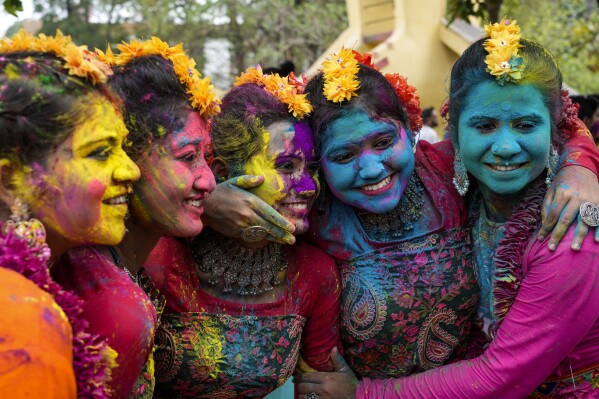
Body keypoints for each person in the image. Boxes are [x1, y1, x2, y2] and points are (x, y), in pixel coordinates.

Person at [202, 47, 599, 399]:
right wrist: (211, 202)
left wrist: (580, 168)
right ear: (318, 165)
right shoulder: (310, 207)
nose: (372, 167)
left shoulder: (444, 171)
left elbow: (540, 121)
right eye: (343, 155)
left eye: (382, 141)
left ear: (409, 131)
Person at [143, 66, 342, 398]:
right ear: (222, 171)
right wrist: (207, 202)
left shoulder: (316, 273)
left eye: (313, 169)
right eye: (286, 166)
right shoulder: (161, 259)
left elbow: (318, 388)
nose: (308, 187)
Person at [51, 37, 220, 398]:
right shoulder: (112, 304)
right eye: (188, 157)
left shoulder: (127, 265)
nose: (210, 181)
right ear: (128, 160)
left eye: (208, 157)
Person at [0, 30, 141, 398]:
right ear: (10, 180)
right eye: (99, 152)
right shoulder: (20, 320)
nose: (131, 170)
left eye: (123, 148)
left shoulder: (60, 272)